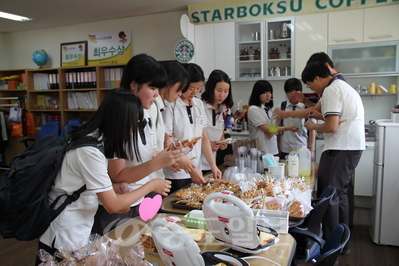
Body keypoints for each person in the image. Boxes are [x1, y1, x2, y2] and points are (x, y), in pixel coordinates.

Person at [37, 89, 174, 264]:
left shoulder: (97, 139)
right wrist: (151, 185)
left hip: (78, 226)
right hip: (64, 232)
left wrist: (113, 188)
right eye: (134, 122)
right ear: (122, 120)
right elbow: (112, 205)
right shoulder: (89, 150)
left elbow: (83, 182)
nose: (134, 129)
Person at [92, 54, 185, 235]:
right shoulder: (119, 117)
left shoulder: (146, 114)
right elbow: (118, 175)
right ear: (134, 85)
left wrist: (166, 158)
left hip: (141, 198)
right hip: (120, 204)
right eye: (152, 87)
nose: (157, 94)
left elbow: (149, 150)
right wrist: (157, 164)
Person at [301, 62, 364, 250]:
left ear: (318, 78)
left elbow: (331, 126)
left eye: (310, 83)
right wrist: (319, 115)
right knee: (340, 194)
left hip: (340, 148)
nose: (311, 88)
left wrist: (312, 125)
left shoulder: (331, 90)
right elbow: (334, 118)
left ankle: (331, 246)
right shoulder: (341, 86)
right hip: (351, 147)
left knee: (329, 195)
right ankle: (342, 242)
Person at [163, 63, 222, 193]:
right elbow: (167, 140)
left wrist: (213, 166)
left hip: (196, 169)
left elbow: (204, 138)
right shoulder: (170, 105)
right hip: (176, 172)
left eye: (199, 88)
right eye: (190, 88)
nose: (195, 92)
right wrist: (191, 169)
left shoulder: (199, 104)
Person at [247, 80, 298, 156]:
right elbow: (267, 129)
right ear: (257, 94)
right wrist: (287, 128)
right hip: (260, 150)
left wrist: (274, 131)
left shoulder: (269, 110)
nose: (268, 95)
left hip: (273, 149)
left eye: (270, 92)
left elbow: (274, 129)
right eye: (264, 92)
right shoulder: (253, 109)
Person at [147, 62, 190, 152]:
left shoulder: (159, 105)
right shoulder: (152, 106)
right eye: (179, 89)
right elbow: (149, 149)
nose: (180, 94)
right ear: (168, 83)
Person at [200, 69, 233, 173]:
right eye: (219, 90)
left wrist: (222, 140)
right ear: (210, 88)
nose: (222, 95)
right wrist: (206, 144)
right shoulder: (199, 105)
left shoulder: (225, 109)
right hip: (197, 160)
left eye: (226, 91)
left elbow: (221, 130)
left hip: (213, 161)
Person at [279, 78, 316, 160]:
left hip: (302, 147)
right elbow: (277, 128)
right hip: (285, 148)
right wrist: (278, 147)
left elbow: (312, 129)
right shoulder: (281, 106)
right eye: (290, 91)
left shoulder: (306, 107)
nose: (293, 94)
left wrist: (311, 150)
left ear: (301, 92)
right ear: (286, 93)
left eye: (296, 91)